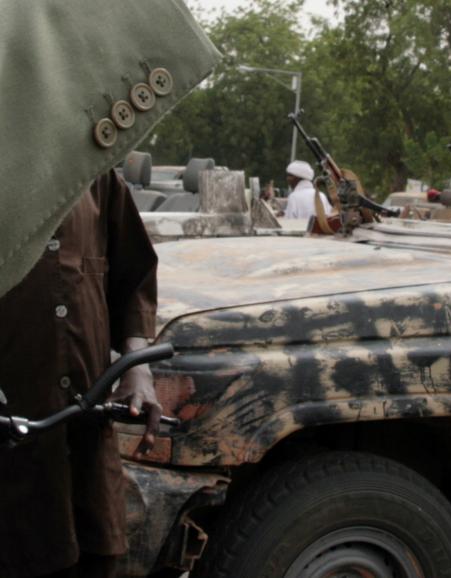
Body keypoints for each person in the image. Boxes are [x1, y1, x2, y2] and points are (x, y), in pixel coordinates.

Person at [0, 1, 221, 577]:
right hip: (13, 445)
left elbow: (132, 276)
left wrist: (136, 369)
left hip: (83, 430)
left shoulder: (92, 172)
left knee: (97, 553)